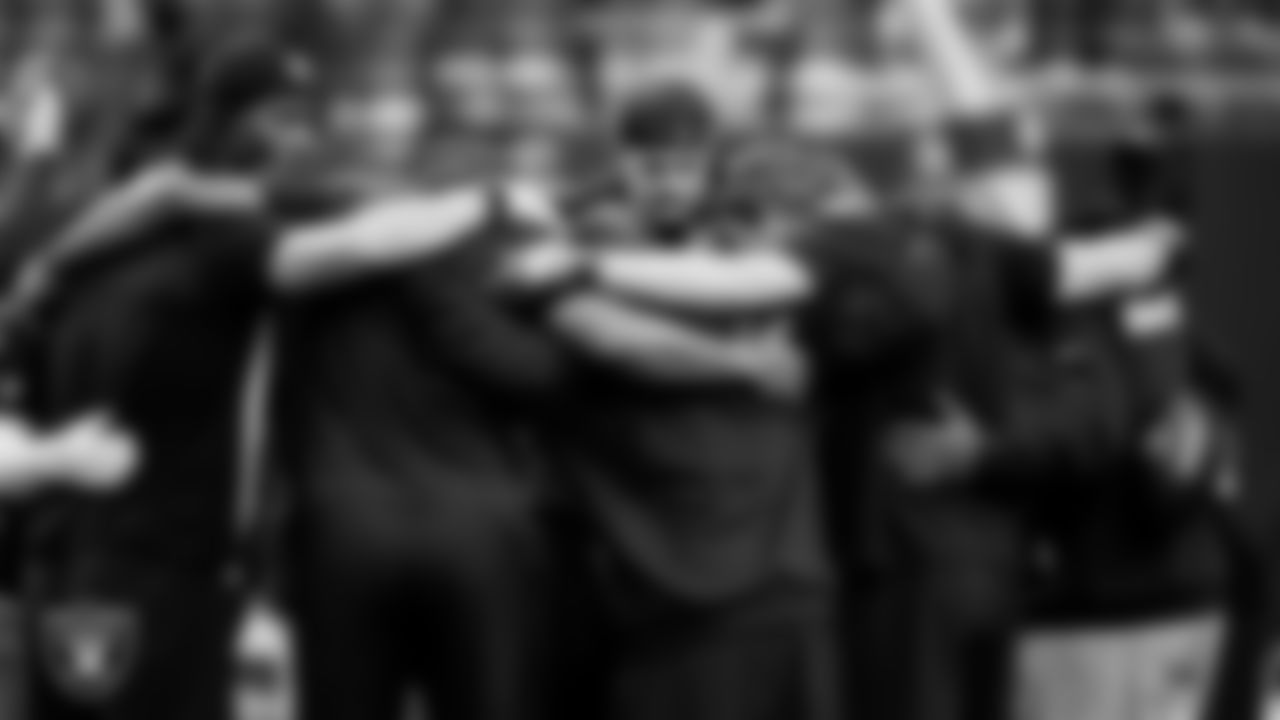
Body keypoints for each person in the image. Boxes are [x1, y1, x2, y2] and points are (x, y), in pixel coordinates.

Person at [9, 39, 317, 720]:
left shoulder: (68, 262)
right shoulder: (217, 245)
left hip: (65, 562)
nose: (298, 139)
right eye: (283, 118)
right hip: (155, 565)